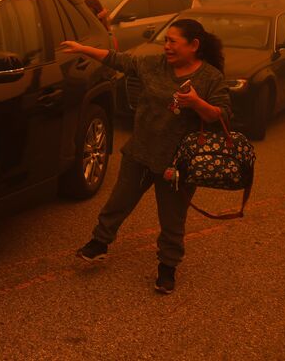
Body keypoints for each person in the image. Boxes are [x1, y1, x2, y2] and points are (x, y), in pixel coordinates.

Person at [60, 18, 231, 294]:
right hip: (140, 153)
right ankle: (99, 243)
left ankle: (167, 268)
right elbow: (119, 60)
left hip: (178, 166)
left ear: (194, 45)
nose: (167, 46)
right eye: (165, 41)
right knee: (118, 202)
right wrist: (83, 49)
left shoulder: (210, 78)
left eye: (173, 41)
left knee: (172, 219)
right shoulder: (153, 65)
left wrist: (197, 103)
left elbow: (222, 117)